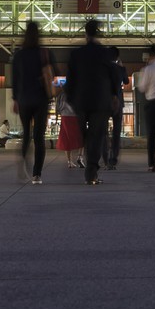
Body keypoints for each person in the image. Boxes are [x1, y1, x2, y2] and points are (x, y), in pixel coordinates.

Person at [65, 18, 119, 185]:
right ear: (98, 33)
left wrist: (72, 99)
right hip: (100, 101)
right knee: (96, 135)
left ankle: (89, 163)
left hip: (81, 101)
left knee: (86, 135)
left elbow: (70, 80)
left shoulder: (76, 54)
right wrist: (114, 96)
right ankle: (91, 173)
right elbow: (114, 77)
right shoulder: (105, 53)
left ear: (85, 33)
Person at [9, 20, 54, 184]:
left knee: (26, 134)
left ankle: (23, 162)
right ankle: (37, 174)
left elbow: (14, 79)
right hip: (41, 99)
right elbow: (53, 74)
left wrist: (15, 99)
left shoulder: (19, 55)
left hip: (24, 100)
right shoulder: (45, 53)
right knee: (39, 137)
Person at [105, 46, 127, 169]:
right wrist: (122, 67)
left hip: (106, 102)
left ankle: (105, 156)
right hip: (118, 102)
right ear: (117, 57)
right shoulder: (120, 68)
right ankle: (113, 158)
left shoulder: (103, 69)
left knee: (104, 131)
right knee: (116, 131)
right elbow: (126, 81)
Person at [55, 93, 83, 168]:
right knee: (81, 136)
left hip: (65, 116)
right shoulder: (77, 89)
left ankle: (69, 162)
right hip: (76, 115)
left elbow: (57, 104)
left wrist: (58, 115)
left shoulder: (62, 91)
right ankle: (80, 157)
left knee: (66, 138)